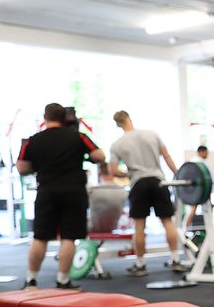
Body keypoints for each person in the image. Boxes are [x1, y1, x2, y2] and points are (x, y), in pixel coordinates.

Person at [16, 103, 104, 289]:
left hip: (46, 191)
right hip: (74, 191)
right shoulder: (78, 137)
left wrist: (39, 166)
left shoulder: (32, 140)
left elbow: (22, 167)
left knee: (40, 237)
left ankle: (31, 280)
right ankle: (63, 280)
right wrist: (84, 157)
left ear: (45, 117)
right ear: (65, 118)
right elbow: (100, 155)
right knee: (68, 237)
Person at [107, 111, 185, 276]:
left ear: (117, 124)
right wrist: (180, 176)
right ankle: (176, 260)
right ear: (129, 118)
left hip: (138, 184)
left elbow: (113, 171)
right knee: (167, 222)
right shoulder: (152, 135)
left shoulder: (117, 144)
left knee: (139, 225)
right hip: (159, 181)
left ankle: (140, 264)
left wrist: (129, 174)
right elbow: (167, 157)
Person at [182, 145, 210, 233]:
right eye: (207, 152)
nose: (208, 154)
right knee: (193, 209)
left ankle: (184, 230)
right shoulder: (198, 162)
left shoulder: (194, 161)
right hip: (196, 191)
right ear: (202, 152)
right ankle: (184, 230)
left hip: (196, 191)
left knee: (198, 210)